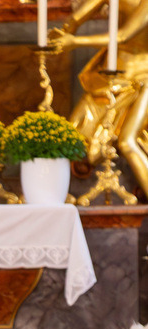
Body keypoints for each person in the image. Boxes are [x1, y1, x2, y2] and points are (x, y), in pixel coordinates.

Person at [49, 0, 148, 196]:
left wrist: (74, 42)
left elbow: (123, 36)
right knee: (75, 131)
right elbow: (78, 17)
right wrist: (66, 29)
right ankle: (53, 195)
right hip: (112, 76)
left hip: (142, 77)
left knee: (127, 141)